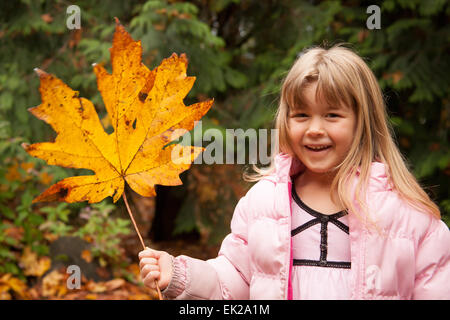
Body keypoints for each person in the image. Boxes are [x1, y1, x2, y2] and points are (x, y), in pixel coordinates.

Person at [138, 44, 450, 299]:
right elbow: (232, 282)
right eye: (301, 115)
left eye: (332, 115)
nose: (315, 129)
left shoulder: (406, 214)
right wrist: (180, 275)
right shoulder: (262, 204)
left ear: (362, 121)